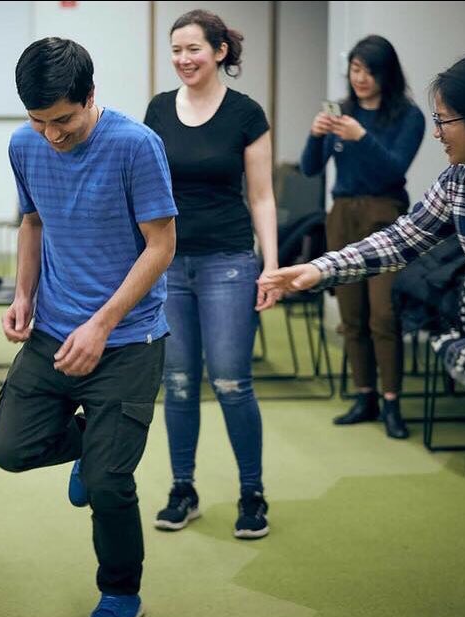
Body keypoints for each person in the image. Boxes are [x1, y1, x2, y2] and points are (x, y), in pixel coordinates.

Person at [261, 55, 465, 617]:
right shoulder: (460, 183)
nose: (437, 132)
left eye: (445, 121)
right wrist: (318, 269)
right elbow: (399, 239)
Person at [0, 37, 177, 617]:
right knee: (9, 449)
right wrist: (22, 295)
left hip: (129, 339)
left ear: (91, 96)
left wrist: (103, 322)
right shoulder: (25, 145)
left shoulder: (136, 146)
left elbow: (161, 246)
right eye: (39, 121)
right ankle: (92, 442)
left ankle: (121, 591)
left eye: (63, 120)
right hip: (53, 329)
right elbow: (33, 220)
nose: (52, 135)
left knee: (107, 484)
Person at [143, 9, 280, 538]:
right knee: (177, 382)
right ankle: (184, 488)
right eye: (176, 50)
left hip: (228, 261)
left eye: (193, 49)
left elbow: (262, 197)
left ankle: (252, 493)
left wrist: (271, 267)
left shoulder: (246, 114)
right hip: (168, 264)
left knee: (229, 381)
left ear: (219, 51)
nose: (183, 60)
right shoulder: (157, 110)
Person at [300, 35, 425, 439]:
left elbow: (394, 169)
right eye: (355, 70)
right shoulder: (341, 111)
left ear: (386, 74)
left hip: (385, 214)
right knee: (351, 314)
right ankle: (364, 395)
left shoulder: (407, 116)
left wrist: (361, 138)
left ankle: (391, 401)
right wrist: (316, 135)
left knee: (383, 314)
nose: (361, 79)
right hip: (343, 215)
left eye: (369, 71)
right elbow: (309, 168)